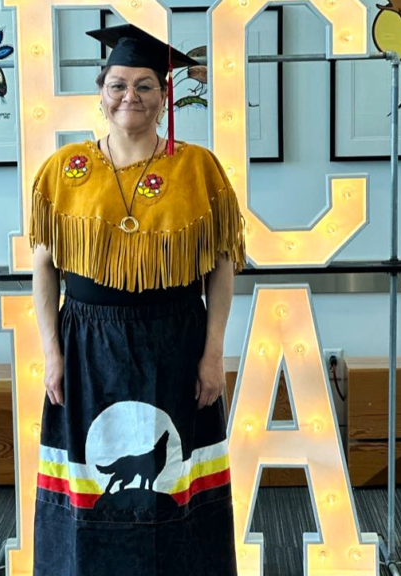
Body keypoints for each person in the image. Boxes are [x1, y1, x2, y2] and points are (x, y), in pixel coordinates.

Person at [28, 23, 247, 576]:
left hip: (174, 336)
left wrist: (213, 352)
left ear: (164, 95)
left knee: (176, 481)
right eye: (119, 84)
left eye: (145, 85)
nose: (131, 96)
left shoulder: (198, 168)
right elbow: (44, 267)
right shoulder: (64, 171)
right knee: (88, 482)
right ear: (101, 92)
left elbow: (222, 263)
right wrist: (52, 354)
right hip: (87, 340)